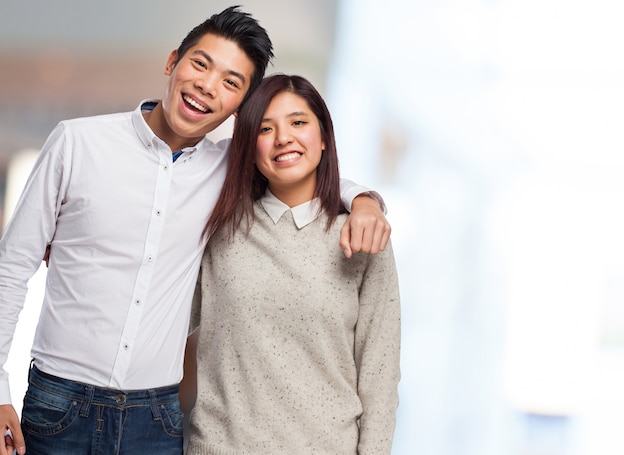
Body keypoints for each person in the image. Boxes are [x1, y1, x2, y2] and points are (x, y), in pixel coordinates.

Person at [0, 7, 391, 455]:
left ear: (240, 105)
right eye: (201, 64)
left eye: (231, 82)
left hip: (156, 418)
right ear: (172, 62)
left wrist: (365, 201)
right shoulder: (76, 143)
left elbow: (299, 165)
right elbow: (11, 268)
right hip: (57, 403)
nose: (208, 86)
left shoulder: (231, 169)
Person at [184, 74, 401, 454]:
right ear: (249, 147)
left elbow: (379, 378)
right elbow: (164, 321)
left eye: (298, 122)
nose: (283, 137)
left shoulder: (363, 235)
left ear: (324, 138)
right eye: (265, 129)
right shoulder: (218, 230)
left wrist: (365, 201)